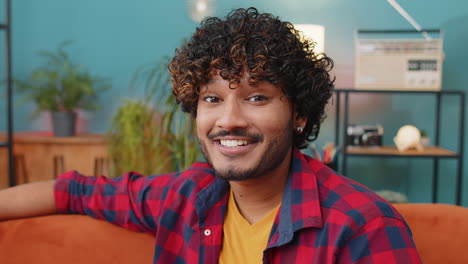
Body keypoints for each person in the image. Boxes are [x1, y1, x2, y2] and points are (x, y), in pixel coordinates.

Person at [0, 7, 421, 264]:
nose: (229, 120)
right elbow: (71, 191)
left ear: (299, 114)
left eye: (257, 97)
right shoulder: (184, 197)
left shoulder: (364, 227)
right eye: (212, 98)